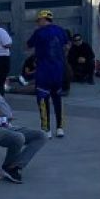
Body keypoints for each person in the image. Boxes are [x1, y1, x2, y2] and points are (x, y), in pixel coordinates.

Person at [26, 10, 69, 138]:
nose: (38, 23)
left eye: (38, 21)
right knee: (57, 98)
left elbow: (28, 45)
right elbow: (67, 46)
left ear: (44, 19)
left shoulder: (39, 32)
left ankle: (46, 129)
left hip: (44, 70)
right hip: (58, 70)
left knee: (43, 99)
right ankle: (60, 128)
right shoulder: (61, 30)